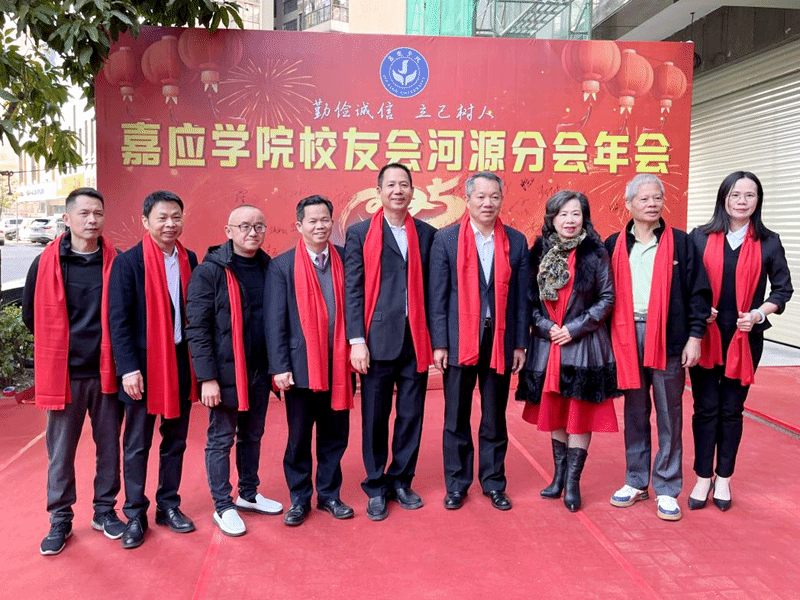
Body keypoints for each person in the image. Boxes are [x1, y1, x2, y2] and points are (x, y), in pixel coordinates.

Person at [22, 188, 124, 555]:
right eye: (84, 213)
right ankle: (60, 518)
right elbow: (30, 316)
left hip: (106, 373)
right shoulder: (45, 263)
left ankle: (104, 510)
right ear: (67, 219)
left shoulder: (116, 262)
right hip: (65, 375)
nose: (92, 220)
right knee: (61, 452)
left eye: (98, 213)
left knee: (109, 447)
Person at [606, 174, 711, 521]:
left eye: (657, 198)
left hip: (667, 335)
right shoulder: (614, 244)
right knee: (635, 413)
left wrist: (695, 336)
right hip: (626, 337)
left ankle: (667, 487)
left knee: (669, 413)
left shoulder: (681, 243)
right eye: (644, 198)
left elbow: (699, 293)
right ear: (628, 204)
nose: (651, 204)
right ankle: (636, 481)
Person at [687, 171, 793, 511]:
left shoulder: (769, 241)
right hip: (706, 336)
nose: (742, 201)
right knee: (705, 408)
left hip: (746, 338)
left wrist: (759, 314)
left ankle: (724, 478)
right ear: (724, 198)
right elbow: (686, 283)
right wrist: (700, 309)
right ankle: (703, 477)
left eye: (750, 195)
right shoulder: (700, 237)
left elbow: (783, 289)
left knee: (732, 410)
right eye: (735, 194)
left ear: (758, 200)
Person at [428, 171, 529, 511]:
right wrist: (440, 343)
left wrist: (519, 343)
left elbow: (520, 299)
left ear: (501, 200)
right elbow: (438, 296)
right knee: (456, 417)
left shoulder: (515, 241)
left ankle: (494, 482)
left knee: (494, 417)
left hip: (499, 340)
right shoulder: (446, 240)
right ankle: (457, 484)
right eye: (481, 196)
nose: (488, 203)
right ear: (467, 200)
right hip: (459, 339)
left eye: (494, 197)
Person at [344, 163, 436, 521]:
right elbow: (353, 289)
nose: (398, 191)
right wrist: (357, 339)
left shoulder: (427, 234)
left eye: (404, 185)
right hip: (376, 338)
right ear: (379, 191)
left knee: (411, 415)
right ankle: (375, 485)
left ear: (413, 191)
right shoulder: (360, 233)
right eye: (391, 185)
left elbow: (435, 291)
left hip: (416, 338)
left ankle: (401, 480)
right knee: (375, 417)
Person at [109, 190, 198, 548]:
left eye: (176, 216)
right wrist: (128, 369)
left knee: (175, 439)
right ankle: (134, 513)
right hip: (143, 365)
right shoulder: (129, 263)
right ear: (146, 221)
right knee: (137, 443)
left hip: (180, 360)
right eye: (162, 217)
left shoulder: (190, 259)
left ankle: (168, 505)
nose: (170, 224)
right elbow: (119, 322)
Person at [185, 205, 282, 538]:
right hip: (225, 373)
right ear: (228, 231)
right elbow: (197, 328)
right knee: (221, 439)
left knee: (253, 435)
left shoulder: (270, 267)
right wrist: (207, 378)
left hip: (259, 370)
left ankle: (249, 494)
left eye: (259, 226)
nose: (252, 232)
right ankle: (223, 505)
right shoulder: (210, 272)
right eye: (244, 226)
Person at [521, 191, 619, 512]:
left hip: (583, 344)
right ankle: (558, 477)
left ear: (584, 218)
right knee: (557, 411)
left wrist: (574, 328)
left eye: (576, 214)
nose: (569, 220)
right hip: (549, 344)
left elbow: (606, 298)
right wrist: (545, 326)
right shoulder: (538, 253)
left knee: (578, 412)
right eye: (562, 214)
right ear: (552, 219)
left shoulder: (596, 253)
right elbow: (529, 301)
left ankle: (573, 483)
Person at [267, 196, 354, 526]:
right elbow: (275, 321)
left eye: (325, 220)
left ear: (332, 222)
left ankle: (329, 495)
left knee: (335, 435)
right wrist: (279, 367)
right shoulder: (283, 266)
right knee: (299, 436)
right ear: (299, 225)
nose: (320, 226)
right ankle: (299, 498)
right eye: (313, 221)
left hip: (339, 364)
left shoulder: (345, 259)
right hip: (300, 366)